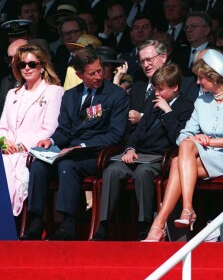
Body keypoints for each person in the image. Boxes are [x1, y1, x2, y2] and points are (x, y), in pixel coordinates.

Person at [143, 49, 223, 242]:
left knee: (178, 161)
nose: (197, 82)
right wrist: (195, 139)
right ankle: (183, 211)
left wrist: (208, 141)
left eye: (201, 78)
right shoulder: (202, 101)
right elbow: (183, 135)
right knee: (183, 149)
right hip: (200, 158)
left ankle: (162, 223)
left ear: (215, 77)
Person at [21, 47, 129, 241]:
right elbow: (64, 130)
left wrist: (81, 147)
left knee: (67, 165)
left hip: (96, 153)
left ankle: (67, 224)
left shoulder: (116, 95)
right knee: (38, 165)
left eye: (100, 70)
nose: (98, 76)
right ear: (79, 75)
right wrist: (51, 140)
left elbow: (116, 135)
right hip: (69, 150)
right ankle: (35, 222)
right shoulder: (70, 96)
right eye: (92, 73)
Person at [92, 63, 194, 241]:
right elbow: (137, 132)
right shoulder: (151, 103)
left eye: (161, 89)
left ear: (175, 87)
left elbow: (178, 138)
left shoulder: (186, 107)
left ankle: (145, 224)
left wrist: (168, 112)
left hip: (160, 156)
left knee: (143, 173)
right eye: (155, 88)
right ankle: (104, 224)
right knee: (112, 170)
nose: (156, 93)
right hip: (139, 154)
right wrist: (130, 149)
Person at [0, 43, 63, 217]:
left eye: (32, 64)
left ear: (42, 66)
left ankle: (9, 220)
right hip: (8, 150)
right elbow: (2, 126)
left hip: (33, 152)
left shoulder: (54, 92)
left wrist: (21, 146)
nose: (27, 68)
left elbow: (50, 128)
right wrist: (4, 142)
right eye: (22, 65)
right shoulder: (13, 93)